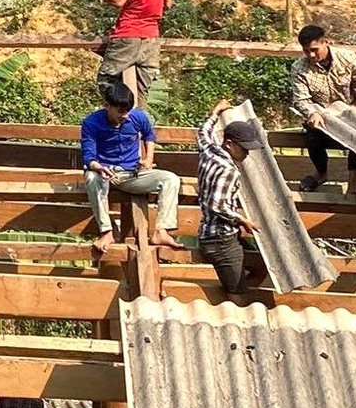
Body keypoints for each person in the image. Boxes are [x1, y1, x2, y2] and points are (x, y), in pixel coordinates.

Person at [289, 24, 356, 194]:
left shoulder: (348, 58)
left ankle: (353, 183)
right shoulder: (299, 68)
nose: (311, 55)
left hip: (348, 114)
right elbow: (301, 99)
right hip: (322, 116)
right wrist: (312, 112)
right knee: (312, 136)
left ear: (326, 42)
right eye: (306, 51)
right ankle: (321, 173)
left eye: (314, 50)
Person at [80, 81, 184, 256]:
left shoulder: (137, 117)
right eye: (121, 111)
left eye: (128, 111)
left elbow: (149, 135)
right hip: (104, 174)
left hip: (131, 174)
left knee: (171, 179)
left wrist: (149, 159)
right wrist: (100, 168)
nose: (125, 116)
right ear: (108, 106)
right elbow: (89, 157)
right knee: (91, 178)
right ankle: (106, 232)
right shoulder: (91, 123)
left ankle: (161, 231)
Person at [78, 0, 171, 104]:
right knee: (141, 95)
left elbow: (119, 1)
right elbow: (168, 3)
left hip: (128, 33)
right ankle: (135, 125)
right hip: (151, 38)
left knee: (106, 79)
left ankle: (118, 120)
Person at [196, 100, 264, 301]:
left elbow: (202, 132)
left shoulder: (209, 150)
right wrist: (241, 220)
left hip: (219, 234)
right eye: (243, 148)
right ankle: (232, 303)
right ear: (229, 144)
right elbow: (217, 205)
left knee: (260, 265)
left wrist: (215, 111)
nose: (246, 153)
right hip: (221, 239)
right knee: (238, 296)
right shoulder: (228, 170)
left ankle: (231, 292)